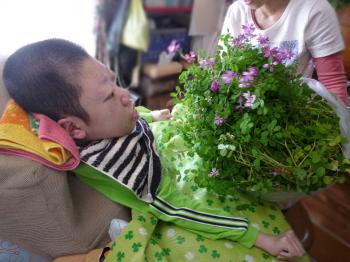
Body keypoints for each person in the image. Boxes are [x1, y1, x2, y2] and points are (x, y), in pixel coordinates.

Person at [2, 39, 305, 261]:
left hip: (158, 139)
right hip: (168, 185)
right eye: (109, 95)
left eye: (114, 80)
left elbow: (130, 121)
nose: (126, 95)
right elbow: (182, 210)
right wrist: (259, 238)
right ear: (74, 130)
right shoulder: (126, 171)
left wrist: (152, 115)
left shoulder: (103, 122)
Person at [221, 0, 349, 105]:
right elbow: (223, 73)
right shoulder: (237, 11)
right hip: (244, 116)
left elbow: (332, 82)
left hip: (295, 117)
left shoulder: (314, 10)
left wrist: (340, 130)